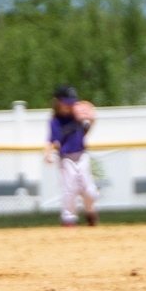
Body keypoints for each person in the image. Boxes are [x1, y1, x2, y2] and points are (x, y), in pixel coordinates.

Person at [44, 86, 99, 227]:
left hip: (82, 156)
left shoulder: (77, 116)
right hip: (66, 158)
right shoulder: (55, 121)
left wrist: (92, 120)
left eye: (71, 102)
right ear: (58, 102)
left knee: (89, 190)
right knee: (70, 189)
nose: (69, 105)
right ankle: (68, 219)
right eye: (66, 102)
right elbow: (51, 139)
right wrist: (47, 153)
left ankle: (90, 212)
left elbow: (84, 132)